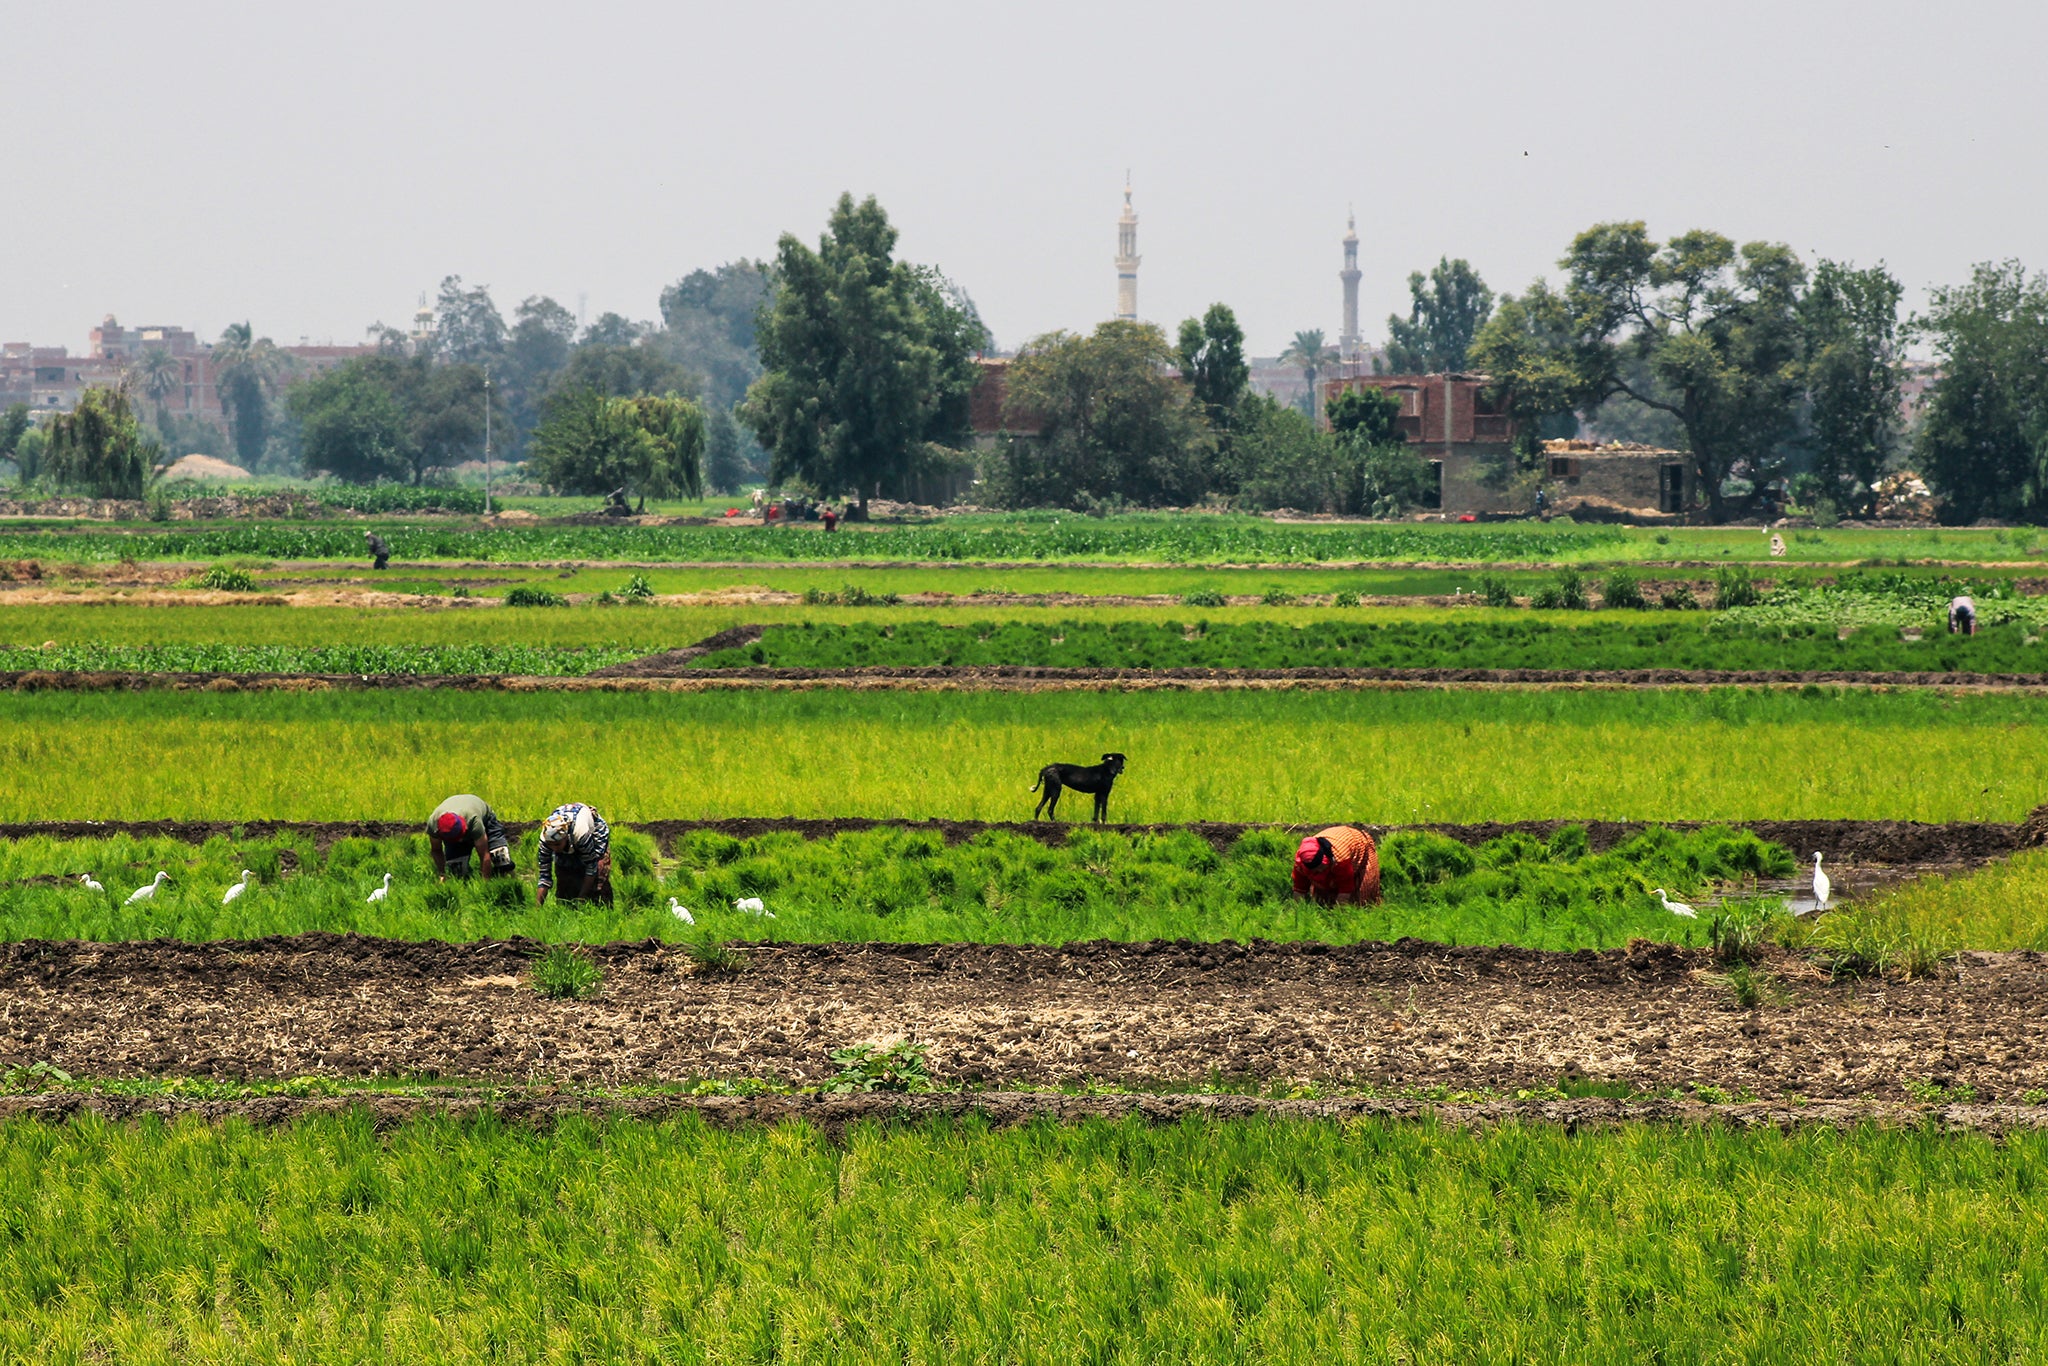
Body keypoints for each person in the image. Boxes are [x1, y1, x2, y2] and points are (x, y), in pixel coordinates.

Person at [536, 801, 612, 906]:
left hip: (593, 832)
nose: (554, 848)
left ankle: (602, 906)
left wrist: (581, 898)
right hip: (571, 839)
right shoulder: (545, 841)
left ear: (565, 838)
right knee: (564, 885)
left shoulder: (580, 834)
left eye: (557, 844)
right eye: (551, 845)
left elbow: (591, 868)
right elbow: (544, 876)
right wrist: (537, 908)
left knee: (598, 878)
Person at [427, 794, 513, 881]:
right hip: (455, 817)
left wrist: (485, 883)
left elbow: (484, 854)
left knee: (500, 858)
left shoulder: (474, 821)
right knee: (457, 872)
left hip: (485, 819)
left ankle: (509, 879)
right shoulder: (433, 824)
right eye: (457, 839)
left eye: (461, 837)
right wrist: (442, 873)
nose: (461, 840)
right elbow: (436, 850)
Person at [1292, 826, 1382, 906]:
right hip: (1337, 845)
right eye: (1315, 870)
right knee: (1322, 900)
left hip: (1357, 843)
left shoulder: (1340, 859)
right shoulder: (1301, 863)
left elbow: (1345, 889)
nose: (1319, 871)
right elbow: (1299, 889)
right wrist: (1297, 912)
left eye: (1321, 867)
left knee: (1363, 900)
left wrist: (1339, 917)